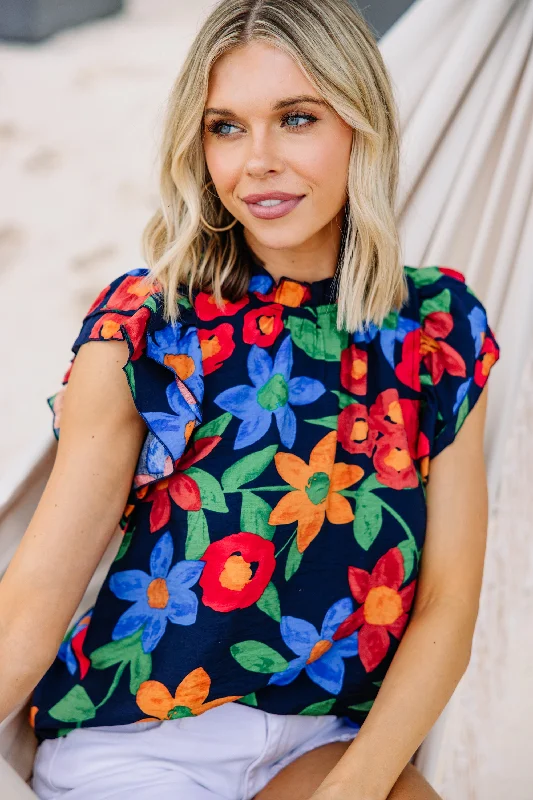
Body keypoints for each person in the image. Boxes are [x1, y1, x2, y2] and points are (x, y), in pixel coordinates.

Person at [0, 0, 501, 798]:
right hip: (140, 748)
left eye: (295, 118)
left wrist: (357, 786)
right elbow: (34, 600)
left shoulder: (438, 332)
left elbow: (447, 603)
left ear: (359, 127)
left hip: (325, 745)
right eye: (224, 127)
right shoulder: (150, 326)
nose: (256, 160)